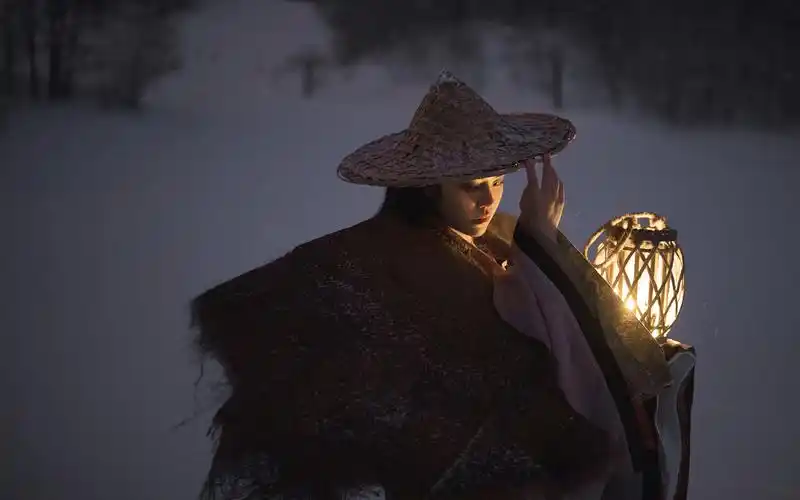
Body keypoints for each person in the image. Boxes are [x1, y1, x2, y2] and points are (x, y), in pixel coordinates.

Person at [191, 71, 684, 499]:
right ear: (430, 185)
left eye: (498, 181)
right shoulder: (404, 255)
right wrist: (540, 247)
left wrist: (539, 243)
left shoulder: (499, 236)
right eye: (471, 185)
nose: (488, 198)